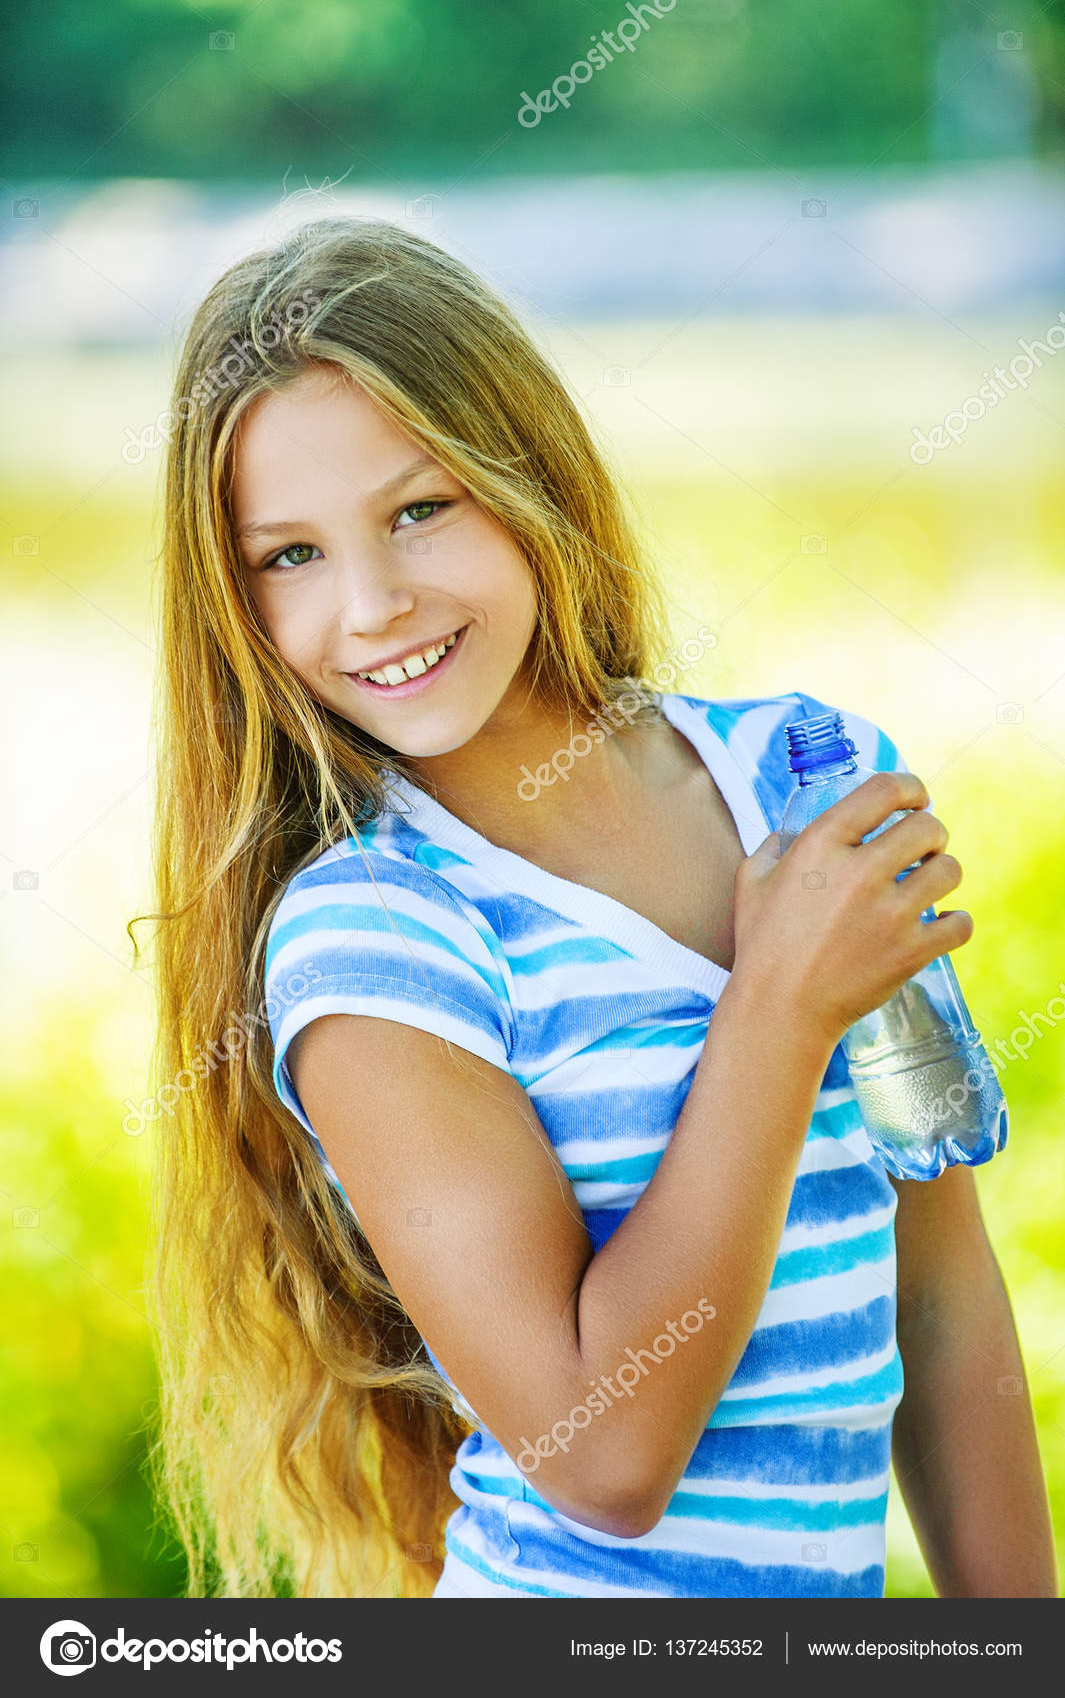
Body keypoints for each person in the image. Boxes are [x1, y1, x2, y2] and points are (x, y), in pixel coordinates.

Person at [139, 214, 1056, 1600]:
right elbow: (603, 1453)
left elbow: (934, 1285)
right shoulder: (377, 936)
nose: (374, 605)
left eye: (417, 509)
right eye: (290, 557)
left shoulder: (808, 779)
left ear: (530, 472)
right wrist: (775, 1010)